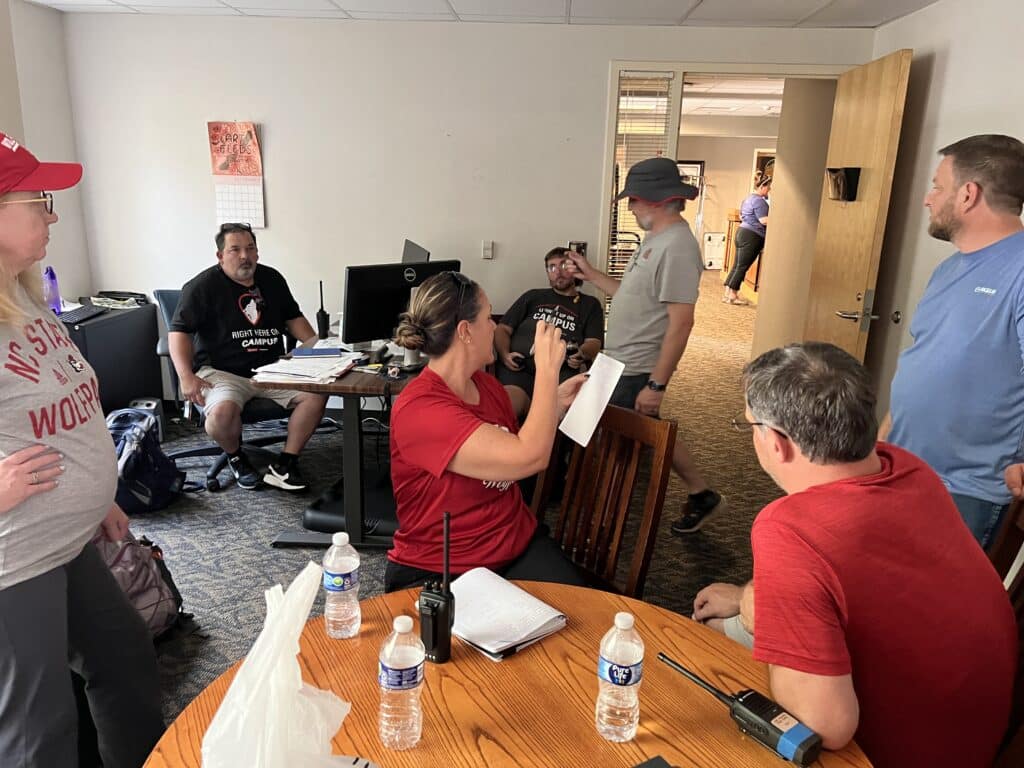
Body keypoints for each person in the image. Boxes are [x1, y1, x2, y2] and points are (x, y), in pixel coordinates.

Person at [691, 342, 1016, 768]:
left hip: (890, 753)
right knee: (724, 625)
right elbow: (860, 584)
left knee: (700, 659)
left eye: (750, 425)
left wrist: (755, 610)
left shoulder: (788, 529)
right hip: (973, 732)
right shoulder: (908, 468)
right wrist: (749, 598)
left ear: (777, 442)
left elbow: (827, 725)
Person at [0, 131, 164, 766]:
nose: (51, 214)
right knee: (40, 729)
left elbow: (62, 409)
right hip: (15, 557)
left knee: (124, 661)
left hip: (63, 541)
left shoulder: (23, 295)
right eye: (37, 199)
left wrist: (96, 497)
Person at [386, 271, 587, 592]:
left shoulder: (484, 385)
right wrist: (548, 370)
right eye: (488, 316)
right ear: (465, 331)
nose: (495, 326)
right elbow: (529, 456)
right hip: (443, 567)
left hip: (514, 543)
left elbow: (514, 430)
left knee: (590, 621)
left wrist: (557, 401)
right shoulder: (420, 410)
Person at [881, 134, 1024, 548]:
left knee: (934, 610)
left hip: (967, 489)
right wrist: (884, 438)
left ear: (967, 194)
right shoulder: (948, 270)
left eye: (938, 186)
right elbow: (925, 358)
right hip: (905, 465)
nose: (929, 198)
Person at [566, 157, 723, 534]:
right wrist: (590, 274)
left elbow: (682, 322)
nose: (630, 208)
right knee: (609, 432)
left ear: (652, 200)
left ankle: (602, 524)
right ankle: (701, 493)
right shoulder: (655, 239)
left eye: (633, 201)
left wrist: (657, 384)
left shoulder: (679, 247)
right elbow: (630, 296)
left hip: (634, 368)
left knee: (609, 450)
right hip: (615, 359)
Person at [168, 223, 328, 492]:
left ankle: (285, 464)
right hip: (221, 372)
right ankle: (235, 456)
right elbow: (178, 333)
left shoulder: (272, 279)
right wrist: (186, 376)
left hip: (272, 369)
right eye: (235, 249)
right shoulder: (202, 287)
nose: (245, 255)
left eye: (250, 248)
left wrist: (319, 351)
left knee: (317, 392)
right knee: (221, 415)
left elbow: (293, 318)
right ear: (220, 256)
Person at [495, 246, 603, 418]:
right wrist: (505, 354)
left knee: (562, 414)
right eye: (552, 267)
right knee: (506, 409)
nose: (557, 272)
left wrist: (581, 353)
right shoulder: (532, 297)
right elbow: (503, 329)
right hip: (520, 370)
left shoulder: (590, 304)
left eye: (563, 266)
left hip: (560, 374)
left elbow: (594, 343)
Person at [723, 177, 771, 305]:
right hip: (752, 236)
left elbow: (741, 216)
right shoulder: (759, 201)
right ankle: (733, 295)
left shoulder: (748, 199)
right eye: (768, 188)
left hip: (742, 232)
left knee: (737, 265)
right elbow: (764, 220)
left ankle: (727, 293)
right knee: (742, 266)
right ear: (762, 187)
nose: (769, 190)